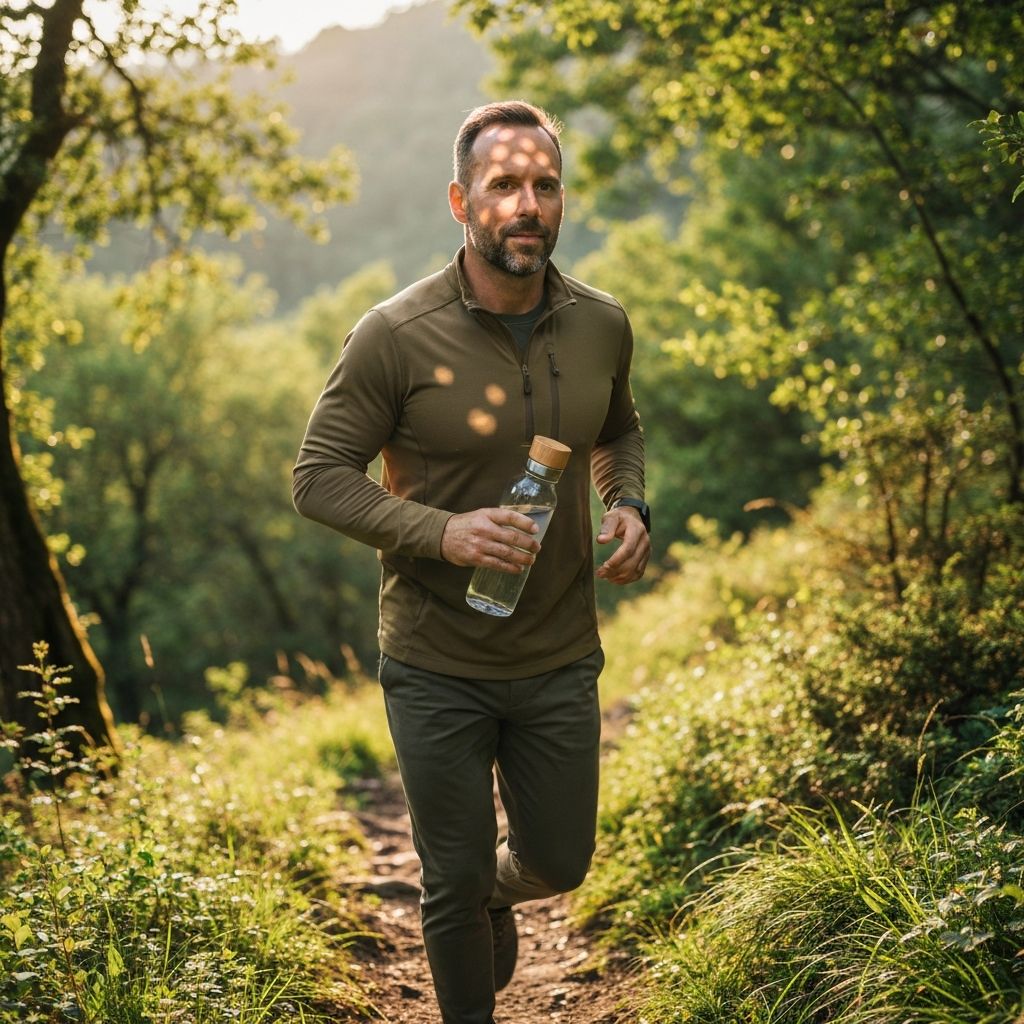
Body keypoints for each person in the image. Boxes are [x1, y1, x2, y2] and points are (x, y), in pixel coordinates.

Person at [293, 100, 650, 1024]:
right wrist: (441, 532)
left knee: (559, 861)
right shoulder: (393, 335)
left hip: (560, 652)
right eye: (504, 185)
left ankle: (501, 893)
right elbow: (318, 477)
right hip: (434, 660)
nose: (527, 204)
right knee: (447, 884)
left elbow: (618, 427)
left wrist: (629, 503)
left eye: (544, 184)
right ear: (462, 200)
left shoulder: (601, 323)